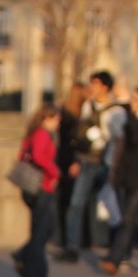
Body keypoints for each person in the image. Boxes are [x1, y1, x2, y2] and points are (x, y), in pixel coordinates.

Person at [60, 71, 127, 262]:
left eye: (96, 84)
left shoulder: (116, 111)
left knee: (112, 207)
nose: (92, 88)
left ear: (106, 87)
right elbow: (81, 134)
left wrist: (115, 166)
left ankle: (117, 248)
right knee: (76, 203)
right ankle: (72, 246)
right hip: (87, 160)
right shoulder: (88, 106)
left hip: (107, 162)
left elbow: (119, 140)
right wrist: (76, 160)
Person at [99, 87, 138, 277]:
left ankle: (114, 259)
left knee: (128, 218)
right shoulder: (130, 119)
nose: (134, 104)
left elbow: (137, 138)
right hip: (129, 176)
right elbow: (124, 144)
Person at [11, 104, 61, 277]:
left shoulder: (33, 134)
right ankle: (34, 272)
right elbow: (39, 157)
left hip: (34, 187)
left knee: (41, 229)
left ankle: (27, 259)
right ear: (46, 118)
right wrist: (55, 173)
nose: (57, 123)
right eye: (55, 119)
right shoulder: (41, 134)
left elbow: (23, 155)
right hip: (41, 187)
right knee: (42, 229)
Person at [55, 83, 88, 251]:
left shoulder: (64, 113)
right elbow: (73, 141)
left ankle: (66, 237)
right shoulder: (73, 117)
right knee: (71, 200)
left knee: (66, 200)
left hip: (64, 159)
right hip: (71, 161)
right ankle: (71, 237)